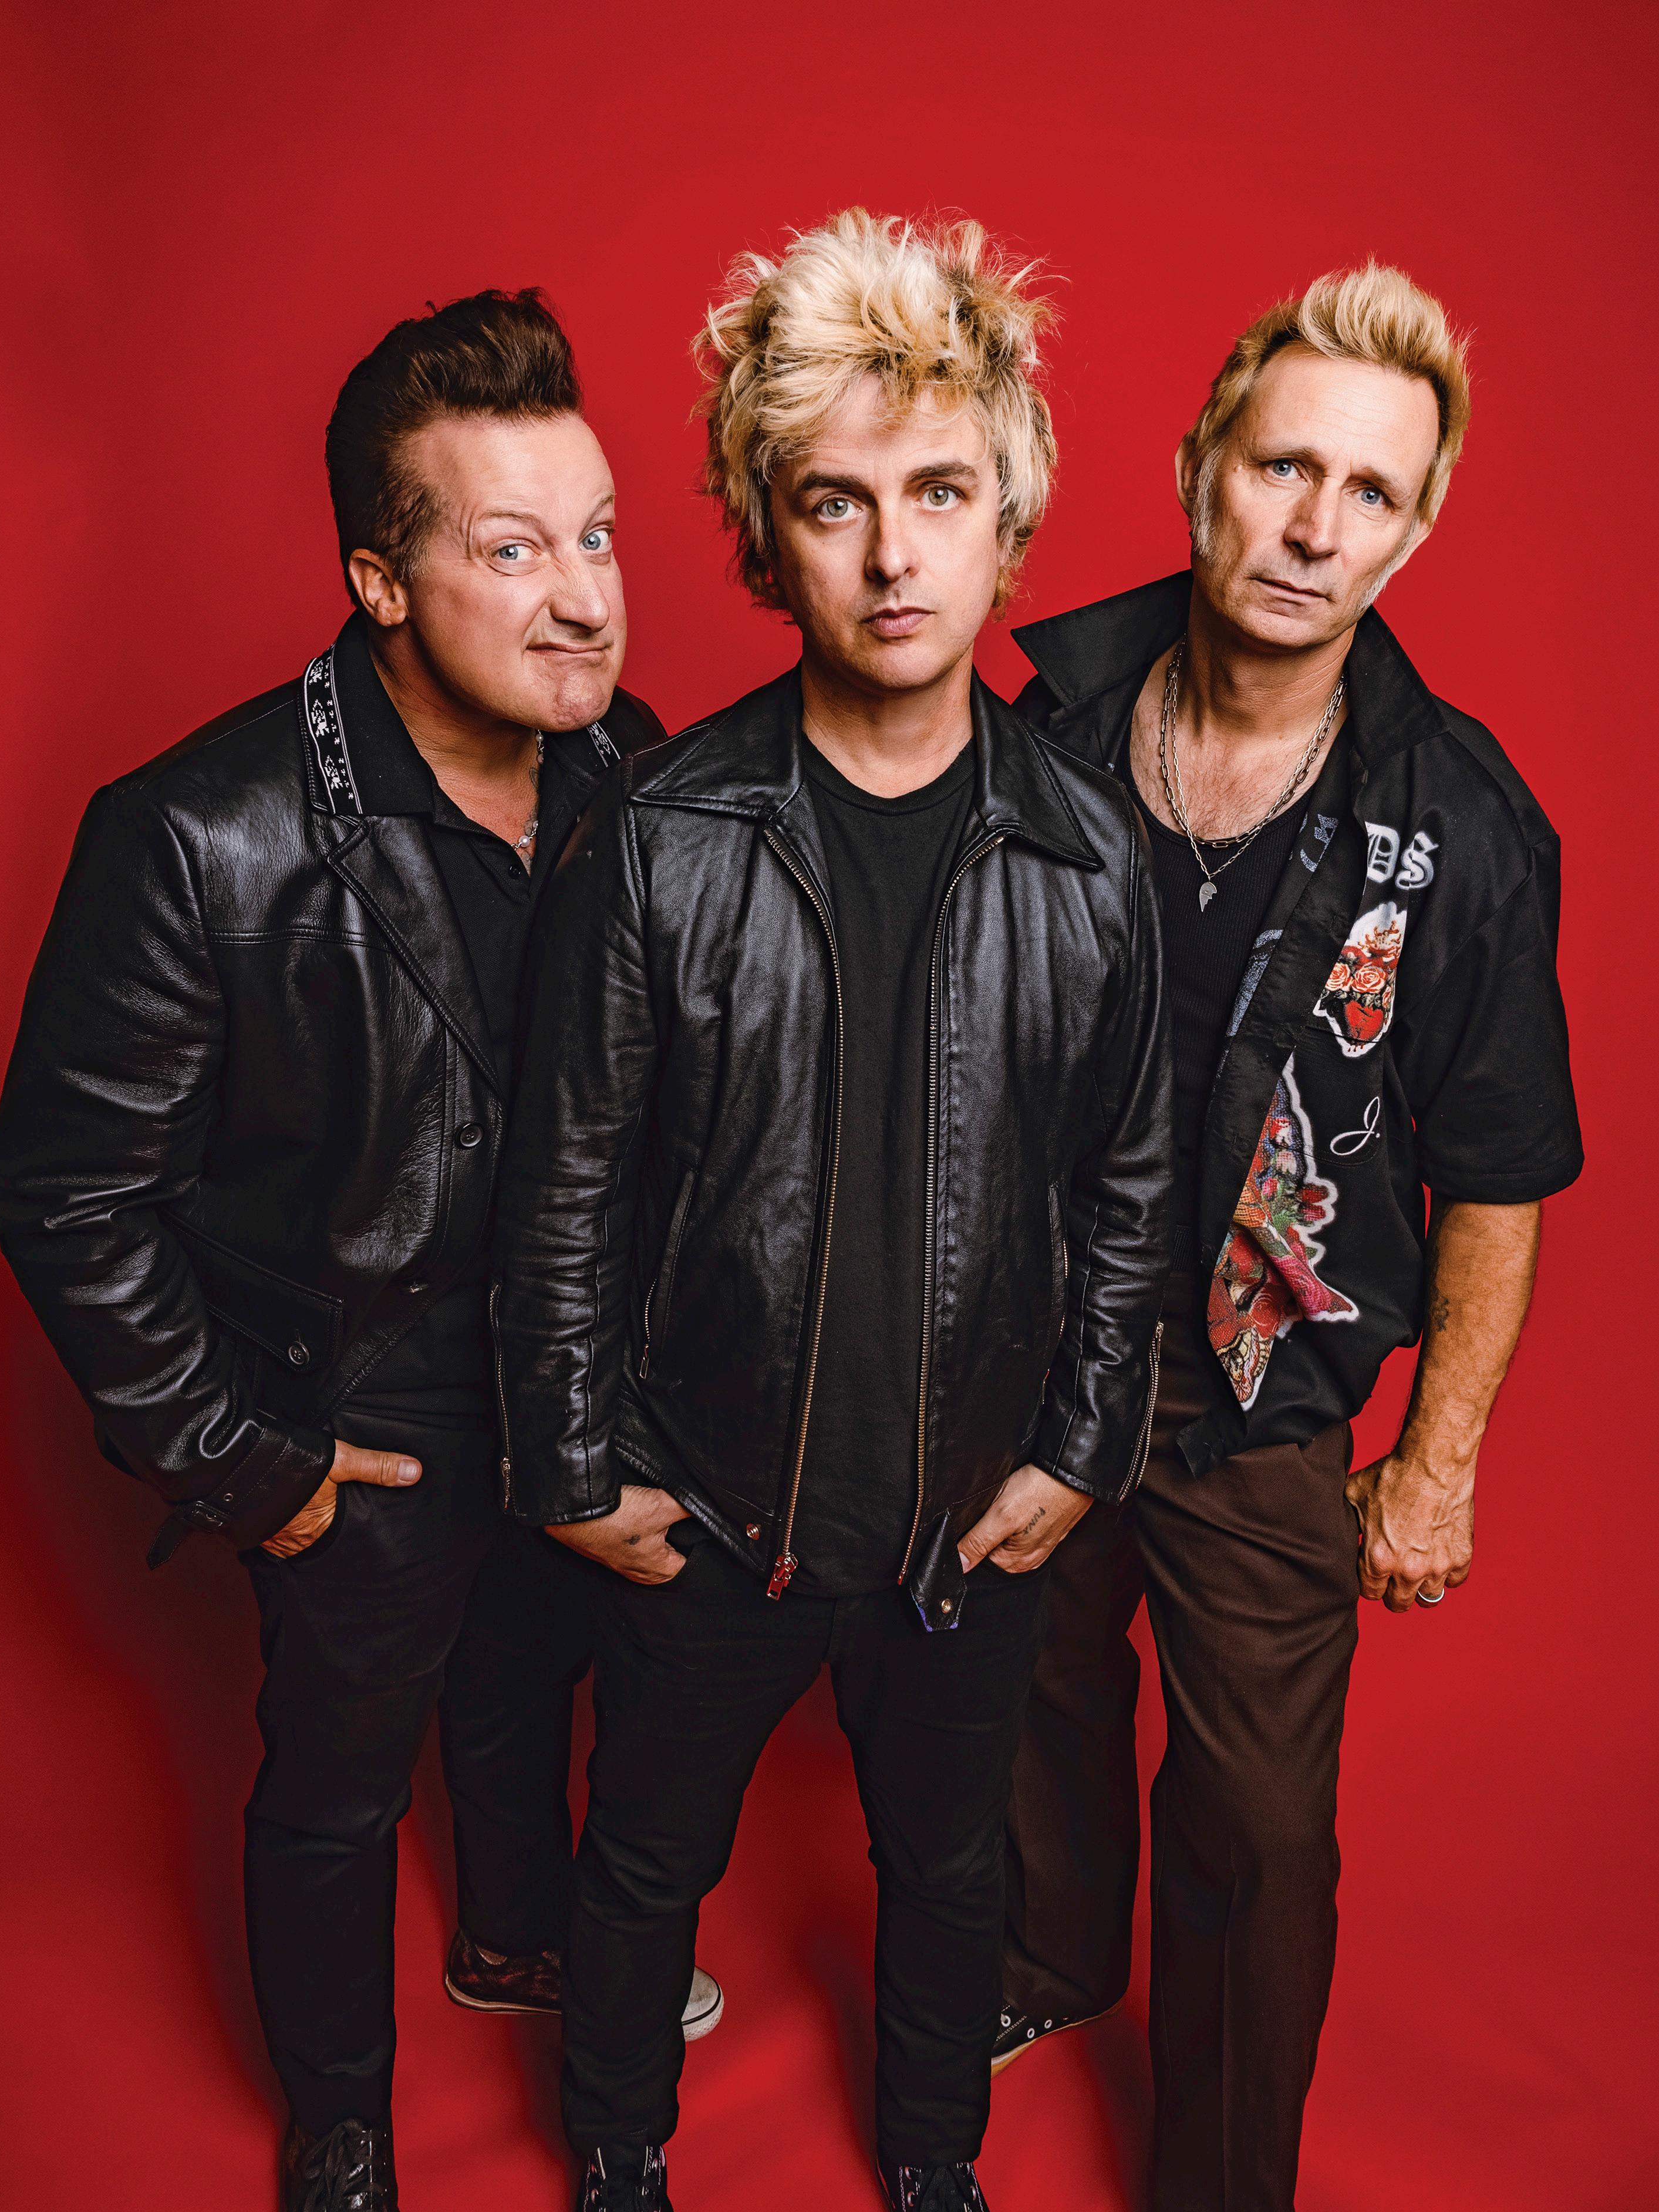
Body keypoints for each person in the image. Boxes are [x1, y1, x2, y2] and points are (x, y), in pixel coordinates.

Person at [0, 289, 719, 2212]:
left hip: (566, 1380)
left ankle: (516, 1938)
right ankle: (339, 2122)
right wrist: (251, 1459)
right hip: (351, 1402)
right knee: (332, 1786)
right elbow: (66, 1190)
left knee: (534, 1694)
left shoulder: (631, 772)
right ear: (378, 583)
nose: (582, 600)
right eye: (513, 551)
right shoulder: (195, 834)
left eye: (597, 536)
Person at [494, 209, 1173, 2212]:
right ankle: (617, 2150)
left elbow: (1131, 1185)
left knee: (951, 1866)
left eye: (937, 493)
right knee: (645, 1859)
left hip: (967, 1510)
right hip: (709, 1504)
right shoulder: (663, 837)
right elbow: (564, 1181)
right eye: (835, 502)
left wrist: (1079, 1446)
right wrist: (576, 1466)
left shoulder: (1089, 856)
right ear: (765, 538)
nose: (892, 556)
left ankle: (936, 2162)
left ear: (1005, 520)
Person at [997, 264, 1583, 2211]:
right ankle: (1047, 1955)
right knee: (1024, 1693)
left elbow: (1497, 1165)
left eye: (1368, 493)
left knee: (1256, 1823)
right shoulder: (1049, 724)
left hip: (1261, 1392)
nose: (1315, 526)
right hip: (1029, 1345)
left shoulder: (1462, 820)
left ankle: (1220, 2178)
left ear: (1410, 533)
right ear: (1200, 470)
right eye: (1282, 469)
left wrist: (1438, 1459)